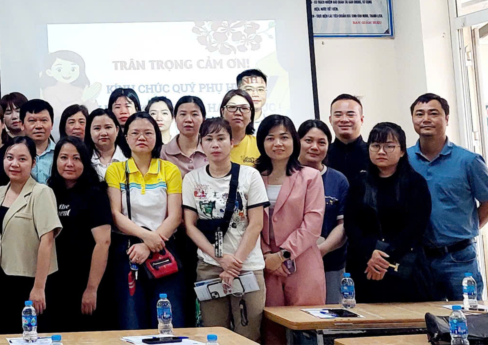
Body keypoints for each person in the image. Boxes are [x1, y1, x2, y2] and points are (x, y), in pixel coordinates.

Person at [182, 117, 268, 342]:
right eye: (209, 139)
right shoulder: (192, 179)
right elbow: (190, 226)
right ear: (201, 144)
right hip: (209, 266)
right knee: (214, 335)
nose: (215, 144)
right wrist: (221, 259)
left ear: (232, 143)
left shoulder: (250, 175)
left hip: (247, 266)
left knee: (248, 335)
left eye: (221, 138)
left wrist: (234, 263)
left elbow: (256, 224)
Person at [408, 93, 488, 301]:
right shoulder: (405, 159)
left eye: (433, 113)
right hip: (419, 258)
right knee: (424, 316)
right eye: (419, 114)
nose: (426, 119)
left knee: (469, 314)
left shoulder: (469, 161)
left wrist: (465, 229)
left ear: (446, 118)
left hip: (460, 258)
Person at [104, 113, 186, 330]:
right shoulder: (116, 170)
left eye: (148, 132)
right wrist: (145, 237)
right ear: (126, 138)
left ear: (157, 137)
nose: (141, 137)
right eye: (135, 133)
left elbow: (175, 216)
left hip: (164, 250)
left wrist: (150, 244)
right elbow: (115, 214)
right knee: (131, 319)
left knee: (168, 319)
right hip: (128, 251)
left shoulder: (169, 170)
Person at [344, 123, 432, 303]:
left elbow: (416, 228)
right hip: (365, 264)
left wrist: (384, 259)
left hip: (405, 265)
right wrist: (370, 254)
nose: (381, 151)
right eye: (375, 145)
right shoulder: (359, 182)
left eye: (389, 146)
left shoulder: (415, 183)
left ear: (402, 151)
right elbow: (351, 225)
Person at [0, 137, 62, 335]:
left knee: (32, 336)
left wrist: (39, 287)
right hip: (2, 277)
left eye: (22, 159)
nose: (14, 164)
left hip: (31, 280)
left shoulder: (41, 192)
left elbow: (47, 241)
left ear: (33, 163)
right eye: (9, 157)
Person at [255, 115, 325, 308]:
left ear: (294, 140)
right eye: (270, 138)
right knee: (269, 323)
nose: (277, 143)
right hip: (264, 264)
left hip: (302, 261)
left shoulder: (310, 177)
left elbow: (312, 225)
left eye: (284, 137)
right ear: (261, 143)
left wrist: (282, 256)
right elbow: (247, 222)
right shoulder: (253, 177)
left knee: (305, 321)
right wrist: (266, 255)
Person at [46, 138, 113, 332]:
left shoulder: (95, 193)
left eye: (76, 158)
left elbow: (103, 242)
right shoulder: (49, 191)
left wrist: (91, 289)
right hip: (56, 280)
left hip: (86, 279)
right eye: (63, 157)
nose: (69, 163)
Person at [297, 120, 350, 303]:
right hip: (291, 263)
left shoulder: (338, 180)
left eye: (321, 142)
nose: (314, 147)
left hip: (331, 264)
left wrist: (322, 250)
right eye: (308, 140)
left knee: (332, 314)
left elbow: (343, 225)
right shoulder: (286, 176)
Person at [160, 96, 207, 175]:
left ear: (203, 119)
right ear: (175, 118)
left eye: (194, 114)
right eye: (183, 114)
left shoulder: (210, 149)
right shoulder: (163, 153)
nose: (188, 119)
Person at [326, 94, 369, 180]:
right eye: (338, 115)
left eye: (350, 115)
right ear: (330, 120)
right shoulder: (323, 154)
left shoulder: (373, 153)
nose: (344, 120)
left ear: (361, 119)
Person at [20, 99, 57, 184]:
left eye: (44, 120)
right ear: (22, 125)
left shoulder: (61, 153)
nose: (38, 126)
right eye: (32, 121)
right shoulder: (13, 154)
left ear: (52, 124)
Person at [220, 90, 260, 167]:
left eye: (244, 108)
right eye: (232, 107)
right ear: (222, 112)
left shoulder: (259, 145)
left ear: (251, 115)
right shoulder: (212, 143)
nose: (238, 113)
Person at [85, 109, 125, 181]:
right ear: (89, 131)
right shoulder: (83, 159)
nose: (103, 133)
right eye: (97, 128)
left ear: (117, 130)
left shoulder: (129, 157)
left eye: (108, 127)